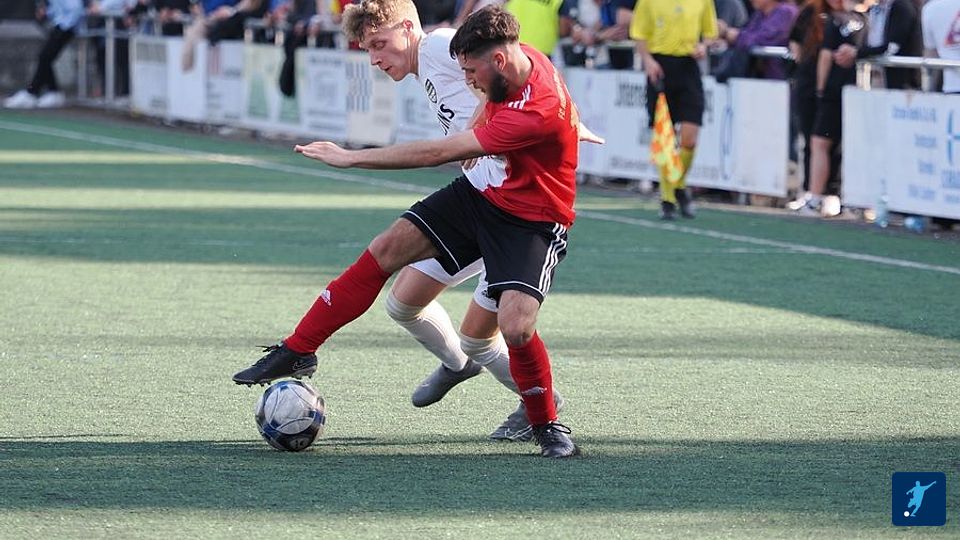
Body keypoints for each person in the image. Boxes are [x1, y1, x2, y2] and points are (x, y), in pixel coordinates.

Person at [232, 6, 587, 458]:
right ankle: (299, 348)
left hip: (530, 219)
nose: (468, 80)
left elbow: (436, 153)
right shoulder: (513, 58)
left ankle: (546, 422)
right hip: (481, 192)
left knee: (510, 329)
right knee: (389, 259)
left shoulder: (508, 96)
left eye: (378, 44)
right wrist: (484, 114)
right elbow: (505, 75)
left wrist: (352, 157)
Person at [335, 0, 567, 442]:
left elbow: (516, 64)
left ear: (408, 28)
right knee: (403, 303)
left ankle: (540, 404)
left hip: (509, 205)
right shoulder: (426, 63)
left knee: (486, 334)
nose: (374, 59)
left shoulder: (441, 46)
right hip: (477, 195)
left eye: (379, 44)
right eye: (367, 49)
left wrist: (480, 134)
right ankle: (459, 365)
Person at [630, 0, 718, 220]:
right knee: (665, 137)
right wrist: (648, 61)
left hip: (688, 67)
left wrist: (704, 46)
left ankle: (677, 185)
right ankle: (668, 198)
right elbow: (639, 33)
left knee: (690, 137)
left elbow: (710, 32)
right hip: (660, 67)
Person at [793, 0, 864, 216]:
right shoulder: (859, 19)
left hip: (833, 91)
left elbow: (826, 56)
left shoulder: (843, 21)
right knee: (821, 143)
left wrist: (821, 89)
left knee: (821, 143)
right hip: (843, 89)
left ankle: (819, 196)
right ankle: (821, 194)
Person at [3, 0, 84, 109]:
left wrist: (65, 25)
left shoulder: (65, 23)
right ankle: (51, 91)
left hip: (66, 27)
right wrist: (47, 12)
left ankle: (33, 92)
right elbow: (57, 9)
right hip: (61, 25)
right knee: (45, 58)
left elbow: (76, 9)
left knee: (45, 57)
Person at [833, 0, 921, 90]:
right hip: (874, 78)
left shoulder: (901, 7)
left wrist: (857, 53)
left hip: (900, 83)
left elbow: (892, 47)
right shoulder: (874, 9)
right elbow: (871, 43)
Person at [717, 0, 797, 80]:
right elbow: (748, 33)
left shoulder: (786, 12)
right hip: (757, 78)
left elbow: (762, 40)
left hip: (777, 78)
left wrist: (731, 34)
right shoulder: (759, 14)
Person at [922, 0, 960, 94]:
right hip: (951, 86)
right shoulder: (930, 8)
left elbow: (930, 53)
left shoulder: (930, 8)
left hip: (951, 86)